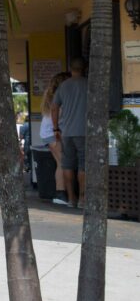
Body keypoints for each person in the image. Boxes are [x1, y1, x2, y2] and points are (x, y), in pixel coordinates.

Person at [51, 58, 88, 208]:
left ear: (70, 68)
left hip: (66, 132)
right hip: (84, 131)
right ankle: (82, 199)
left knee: (67, 165)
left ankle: (71, 199)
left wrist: (55, 129)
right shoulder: (88, 83)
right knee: (83, 166)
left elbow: (54, 107)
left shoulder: (63, 86)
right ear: (84, 68)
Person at [40, 71, 71, 205]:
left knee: (61, 163)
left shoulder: (50, 94)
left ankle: (61, 194)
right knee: (63, 163)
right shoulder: (61, 96)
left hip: (48, 133)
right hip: (53, 133)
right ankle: (61, 194)